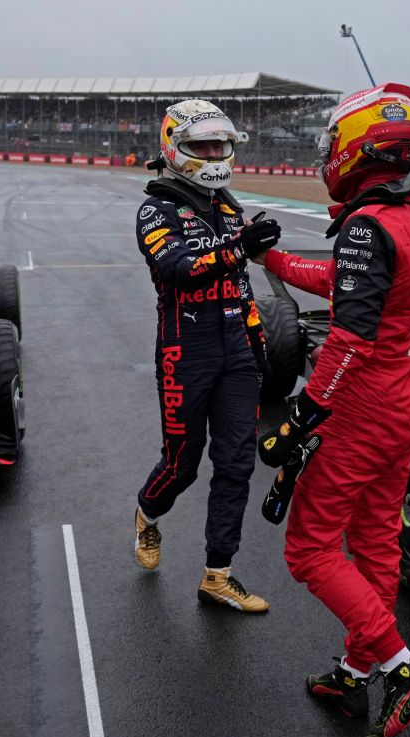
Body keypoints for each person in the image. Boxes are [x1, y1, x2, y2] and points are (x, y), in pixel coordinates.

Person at [254, 83, 410, 737]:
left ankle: (398, 666)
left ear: (355, 147)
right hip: (405, 406)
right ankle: (354, 674)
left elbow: (348, 334)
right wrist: (270, 258)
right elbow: (338, 281)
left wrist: (303, 412)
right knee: (374, 544)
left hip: (363, 410)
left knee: (308, 549)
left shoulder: (368, 224)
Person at [132, 99, 282, 611]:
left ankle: (218, 573)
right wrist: (240, 246)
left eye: (220, 145)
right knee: (183, 463)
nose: (214, 154)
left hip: (236, 349)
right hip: (184, 348)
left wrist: (259, 344)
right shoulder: (157, 208)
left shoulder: (228, 206)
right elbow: (177, 268)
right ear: (174, 149)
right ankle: (148, 514)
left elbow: (240, 286)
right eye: (203, 146)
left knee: (237, 462)